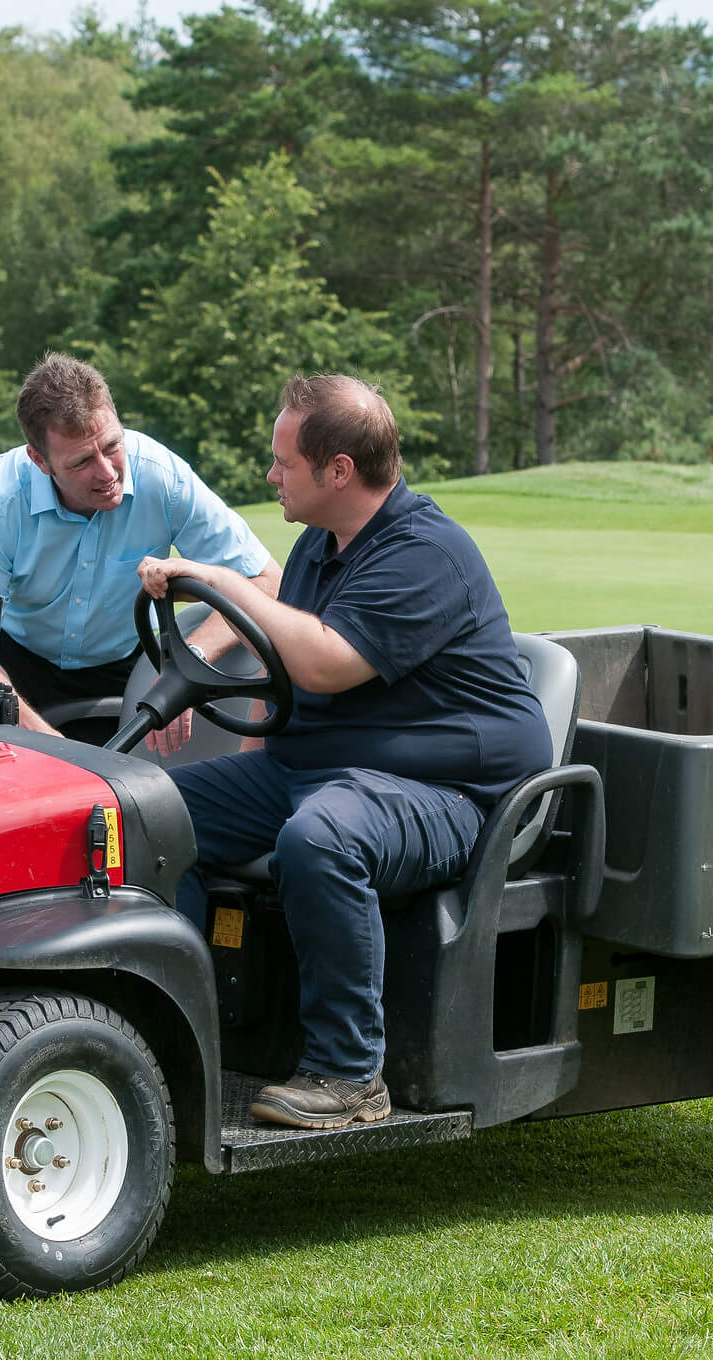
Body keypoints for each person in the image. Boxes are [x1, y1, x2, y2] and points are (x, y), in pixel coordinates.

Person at [136, 375, 549, 1130]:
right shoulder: (318, 548)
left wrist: (224, 580)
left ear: (339, 472)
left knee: (322, 836)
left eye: (284, 462)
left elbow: (327, 661)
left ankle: (351, 1074)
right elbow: (284, 674)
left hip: (452, 794)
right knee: (148, 815)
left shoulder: (425, 552)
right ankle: (166, 1037)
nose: (271, 476)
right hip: (319, 768)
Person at [0, 354, 280, 742]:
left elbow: (266, 580)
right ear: (39, 460)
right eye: (81, 462)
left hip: (127, 669)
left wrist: (190, 658)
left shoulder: (162, 477)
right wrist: (50, 747)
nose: (108, 472)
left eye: (112, 445)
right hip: (15, 665)